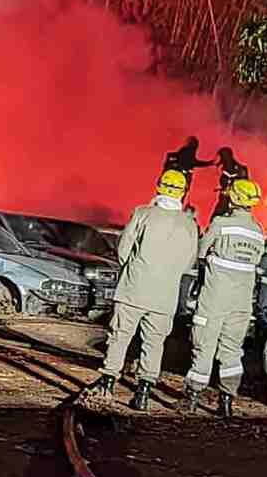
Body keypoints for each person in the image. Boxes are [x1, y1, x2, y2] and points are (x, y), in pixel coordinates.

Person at [75, 170, 198, 414]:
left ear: (159, 187)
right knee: (154, 344)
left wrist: (135, 267)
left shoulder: (143, 213)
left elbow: (123, 251)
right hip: (165, 298)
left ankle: (108, 383)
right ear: (183, 193)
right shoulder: (190, 224)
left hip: (134, 290)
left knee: (120, 336)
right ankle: (143, 393)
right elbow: (188, 264)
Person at [185, 178, 264, 418]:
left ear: (233, 197)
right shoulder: (258, 232)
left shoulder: (221, 224)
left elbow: (199, 252)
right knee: (232, 351)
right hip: (241, 303)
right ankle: (227, 401)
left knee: (204, 345)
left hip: (215, 298)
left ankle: (192, 399)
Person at [211, 147, 249, 219]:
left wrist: (228, 190)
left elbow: (243, 185)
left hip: (237, 199)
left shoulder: (240, 170)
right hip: (228, 198)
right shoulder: (224, 168)